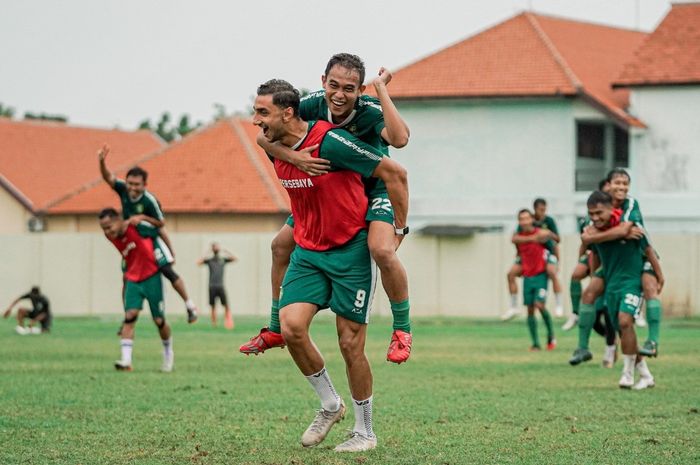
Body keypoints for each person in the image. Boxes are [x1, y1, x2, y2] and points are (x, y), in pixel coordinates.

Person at [252, 79, 408, 451]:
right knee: (292, 328)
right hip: (308, 250)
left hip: (349, 249)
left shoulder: (333, 141)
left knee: (349, 345)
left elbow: (395, 171)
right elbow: (265, 142)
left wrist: (400, 227)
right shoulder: (273, 144)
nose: (255, 120)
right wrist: (294, 157)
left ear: (288, 113)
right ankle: (329, 404)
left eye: (262, 112)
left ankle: (365, 432)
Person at [240, 53, 413, 364]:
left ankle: (402, 329)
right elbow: (265, 136)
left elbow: (400, 141)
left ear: (360, 91)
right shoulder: (312, 104)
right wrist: (295, 159)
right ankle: (276, 328)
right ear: (323, 82)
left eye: (349, 88)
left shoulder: (369, 109)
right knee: (280, 245)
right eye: (333, 85)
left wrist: (381, 90)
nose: (339, 94)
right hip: (333, 191)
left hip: (374, 188)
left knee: (382, 250)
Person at [569, 169, 664, 366]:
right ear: (607, 187)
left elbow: (634, 236)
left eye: (624, 183)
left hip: (638, 256)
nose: (621, 187)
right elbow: (590, 240)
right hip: (613, 262)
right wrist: (619, 234)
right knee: (590, 295)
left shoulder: (630, 204)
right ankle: (583, 347)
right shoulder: (598, 211)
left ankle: (653, 341)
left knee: (649, 288)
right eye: (616, 183)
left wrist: (619, 233)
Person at [98, 145, 199, 324]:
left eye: (137, 185)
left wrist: (142, 217)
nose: (132, 188)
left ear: (144, 185)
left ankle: (190, 305)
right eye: (130, 183)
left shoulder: (149, 200)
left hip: (149, 239)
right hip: (132, 242)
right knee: (127, 277)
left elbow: (161, 224)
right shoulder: (123, 190)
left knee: (167, 270)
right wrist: (102, 161)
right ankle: (127, 316)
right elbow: (108, 178)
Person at [583, 191, 655, 389]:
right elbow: (587, 241)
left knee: (625, 321)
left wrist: (660, 275)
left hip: (632, 282)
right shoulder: (592, 231)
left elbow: (648, 249)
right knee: (624, 331)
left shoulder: (630, 224)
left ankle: (627, 373)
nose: (595, 217)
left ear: (612, 209)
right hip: (611, 286)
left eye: (599, 213)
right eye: (591, 214)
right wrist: (615, 234)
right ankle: (646, 375)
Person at [99, 208, 174, 372]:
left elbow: (159, 229)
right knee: (129, 316)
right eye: (103, 228)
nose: (107, 231)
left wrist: (170, 254)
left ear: (119, 220)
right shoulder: (110, 235)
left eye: (109, 226)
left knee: (159, 321)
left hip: (152, 275)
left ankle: (168, 353)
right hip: (133, 277)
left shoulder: (136, 226)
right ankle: (126, 361)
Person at [563, 178, 611, 332]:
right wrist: (581, 258)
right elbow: (585, 242)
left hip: (613, 257)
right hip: (594, 253)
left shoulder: (623, 213)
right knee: (576, 274)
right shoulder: (589, 218)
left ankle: (638, 313)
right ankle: (575, 313)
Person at [502, 198, 563, 320]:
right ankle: (513, 306)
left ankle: (559, 304)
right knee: (510, 274)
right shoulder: (527, 222)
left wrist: (549, 234)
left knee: (552, 272)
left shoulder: (548, 221)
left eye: (544, 209)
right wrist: (534, 238)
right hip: (527, 256)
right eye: (541, 210)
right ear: (535, 210)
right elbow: (515, 239)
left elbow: (556, 241)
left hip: (546, 253)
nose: (543, 212)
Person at [512, 210, 556, 351]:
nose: (524, 221)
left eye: (526, 218)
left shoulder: (541, 234)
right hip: (527, 276)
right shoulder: (519, 237)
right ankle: (535, 343)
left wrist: (553, 262)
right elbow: (517, 247)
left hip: (541, 275)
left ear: (532, 219)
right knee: (530, 310)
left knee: (540, 305)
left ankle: (551, 336)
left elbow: (553, 246)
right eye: (521, 219)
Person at [197, 243, 237, 329]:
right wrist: (207, 252)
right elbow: (198, 262)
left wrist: (226, 251)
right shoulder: (209, 260)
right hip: (212, 286)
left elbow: (235, 259)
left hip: (220, 286)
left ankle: (228, 322)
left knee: (226, 305)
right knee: (213, 306)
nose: (216, 248)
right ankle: (214, 324)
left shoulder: (222, 260)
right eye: (214, 247)